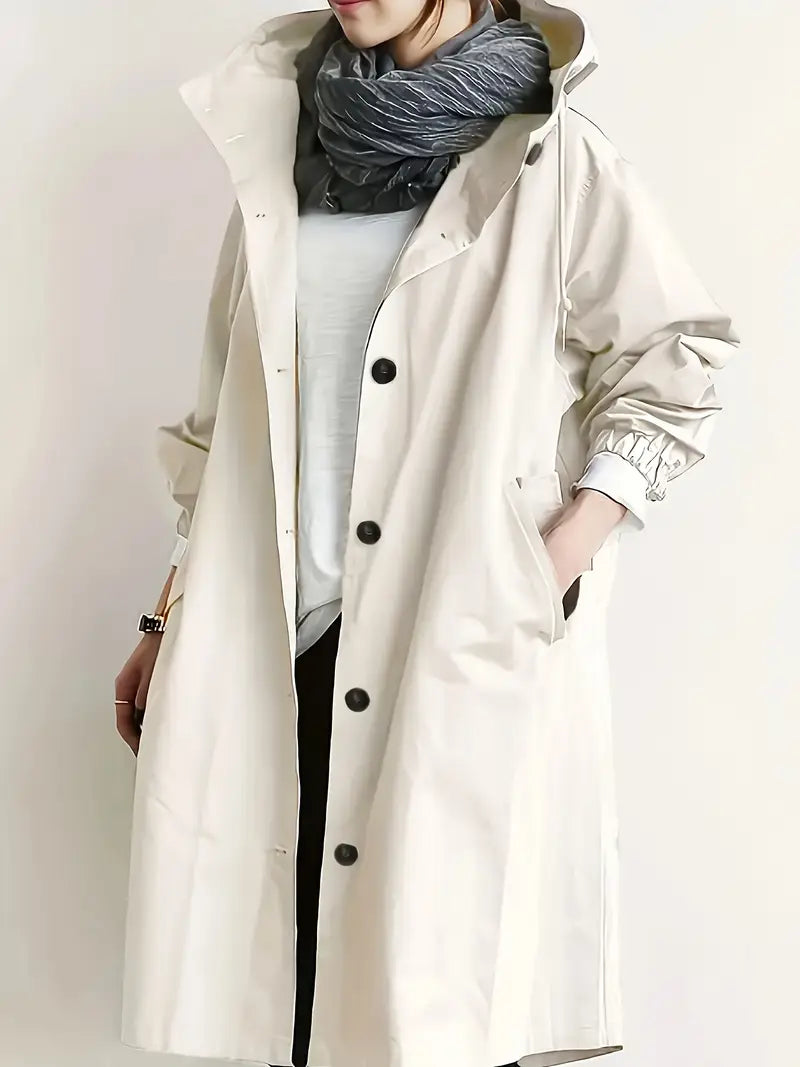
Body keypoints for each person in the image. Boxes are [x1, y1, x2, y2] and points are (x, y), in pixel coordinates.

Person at [115, 1, 740, 1066]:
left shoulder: (553, 160)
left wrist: (548, 560)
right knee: (286, 1009)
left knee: (438, 1012)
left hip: (448, 639)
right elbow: (227, 427)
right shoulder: (280, 154)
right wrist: (164, 612)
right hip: (279, 645)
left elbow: (673, 360)